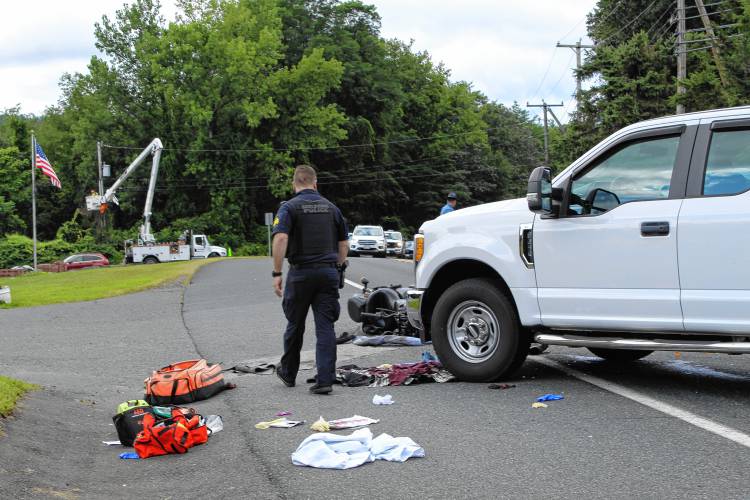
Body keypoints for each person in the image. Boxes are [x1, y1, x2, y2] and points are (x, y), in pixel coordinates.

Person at [271, 165, 349, 395]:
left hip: (301, 273)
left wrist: (277, 272)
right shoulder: (332, 209)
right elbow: (344, 245)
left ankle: (288, 372)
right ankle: (325, 379)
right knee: (325, 326)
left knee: (295, 324)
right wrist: (338, 267)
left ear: (294, 184)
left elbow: (281, 238)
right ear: (315, 184)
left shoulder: (289, 208)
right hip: (327, 273)